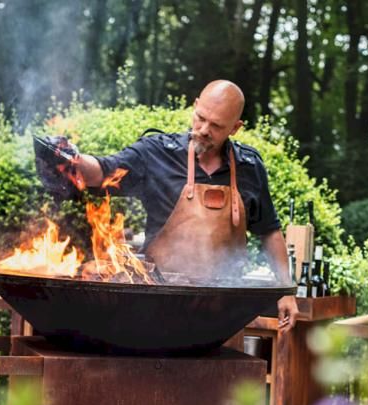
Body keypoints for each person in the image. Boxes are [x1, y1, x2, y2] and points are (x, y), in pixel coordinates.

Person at [60, 80, 299, 332]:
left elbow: (270, 231)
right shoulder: (156, 153)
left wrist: (286, 290)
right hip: (157, 308)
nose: (204, 129)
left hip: (223, 314)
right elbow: (103, 171)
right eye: (201, 118)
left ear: (235, 128)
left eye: (216, 126)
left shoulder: (249, 167)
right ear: (195, 106)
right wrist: (73, 160)